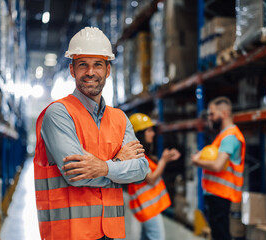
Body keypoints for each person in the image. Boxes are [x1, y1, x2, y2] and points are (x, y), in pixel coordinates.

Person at [33, 27, 150, 240]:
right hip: (70, 234)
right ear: (72, 70)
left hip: (110, 232)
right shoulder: (58, 113)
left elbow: (141, 170)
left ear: (108, 70)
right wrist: (117, 165)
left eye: (98, 64)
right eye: (82, 65)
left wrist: (103, 167)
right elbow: (75, 175)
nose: (90, 72)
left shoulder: (120, 118)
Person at [191, 96, 245, 240]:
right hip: (217, 194)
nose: (209, 118)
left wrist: (197, 162)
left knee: (221, 235)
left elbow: (217, 165)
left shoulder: (229, 137)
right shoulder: (223, 136)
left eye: (212, 114)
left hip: (221, 194)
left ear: (224, 114)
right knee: (219, 234)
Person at [127, 113, 181, 240]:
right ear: (139, 134)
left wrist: (165, 158)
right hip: (147, 207)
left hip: (148, 207)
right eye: (149, 130)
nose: (153, 133)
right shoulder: (136, 157)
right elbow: (151, 179)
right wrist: (164, 161)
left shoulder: (142, 155)